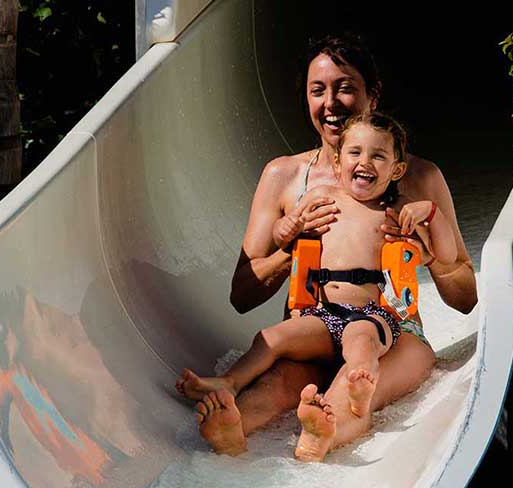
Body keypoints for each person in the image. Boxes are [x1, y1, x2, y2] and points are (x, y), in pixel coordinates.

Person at [189, 34, 478, 461]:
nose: (331, 103)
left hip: (389, 334)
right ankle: (232, 426)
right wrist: (294, 245)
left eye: (345, 87)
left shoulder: (416, 180)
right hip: (315, 326)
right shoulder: (284, 177)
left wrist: (434, 258)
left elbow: (466, 298)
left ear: (372, 95)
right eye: (317, 90)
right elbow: (242, 293)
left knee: (358, 380)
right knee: (275, 387)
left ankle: (324, 435)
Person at [176, 112, 457, 423]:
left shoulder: (399, 210)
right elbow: (283, 230)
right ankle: (229, 384)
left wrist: (432, 213)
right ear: (337, 164)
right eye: (355, 153)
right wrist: (291, 227)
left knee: (361, 344)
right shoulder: (321, 197)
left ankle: (362, 386)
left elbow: (444, 256)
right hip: (322, 316)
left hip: (371, 315)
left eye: (378, 156)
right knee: (270, 338)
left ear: (397, 169)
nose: (365, 162)